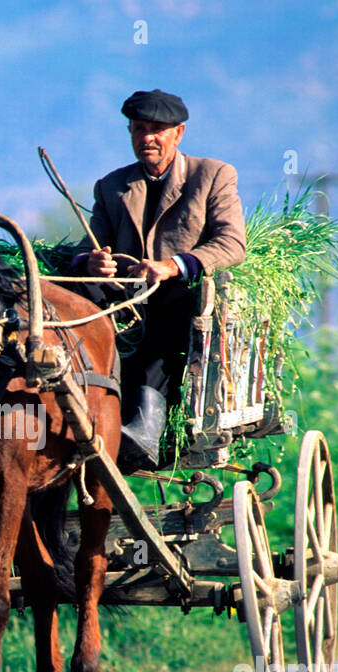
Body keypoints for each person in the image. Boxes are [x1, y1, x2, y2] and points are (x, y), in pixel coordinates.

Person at [67, 88, 246, 471]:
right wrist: (92, 260)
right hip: (125, 298)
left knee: (173, 302)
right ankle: (84, 400)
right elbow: (88, 244)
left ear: (178, 134)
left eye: (157, 130)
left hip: (176, 296)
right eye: (139, 129)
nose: (147, 137)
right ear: (130, 133)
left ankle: (146, 425)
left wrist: (173, 266)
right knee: (79, 299)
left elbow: (232, 243)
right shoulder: (112, 186)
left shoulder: (212, 175)